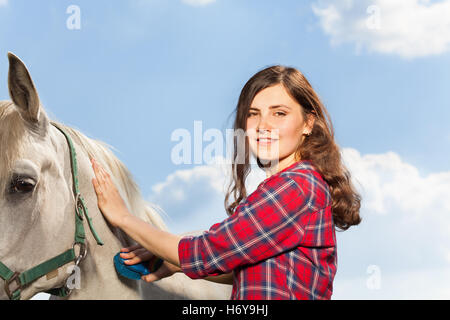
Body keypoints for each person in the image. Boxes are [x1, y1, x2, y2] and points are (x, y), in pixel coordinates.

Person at [91, 65, 361, 300]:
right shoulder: (292, 186)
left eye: (279, 113)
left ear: (308, 122)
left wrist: (123, 217)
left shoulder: (296, 187)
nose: (263, 125)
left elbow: (208, 250)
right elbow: (241, 266)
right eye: (253, 113)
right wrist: (177, 263)